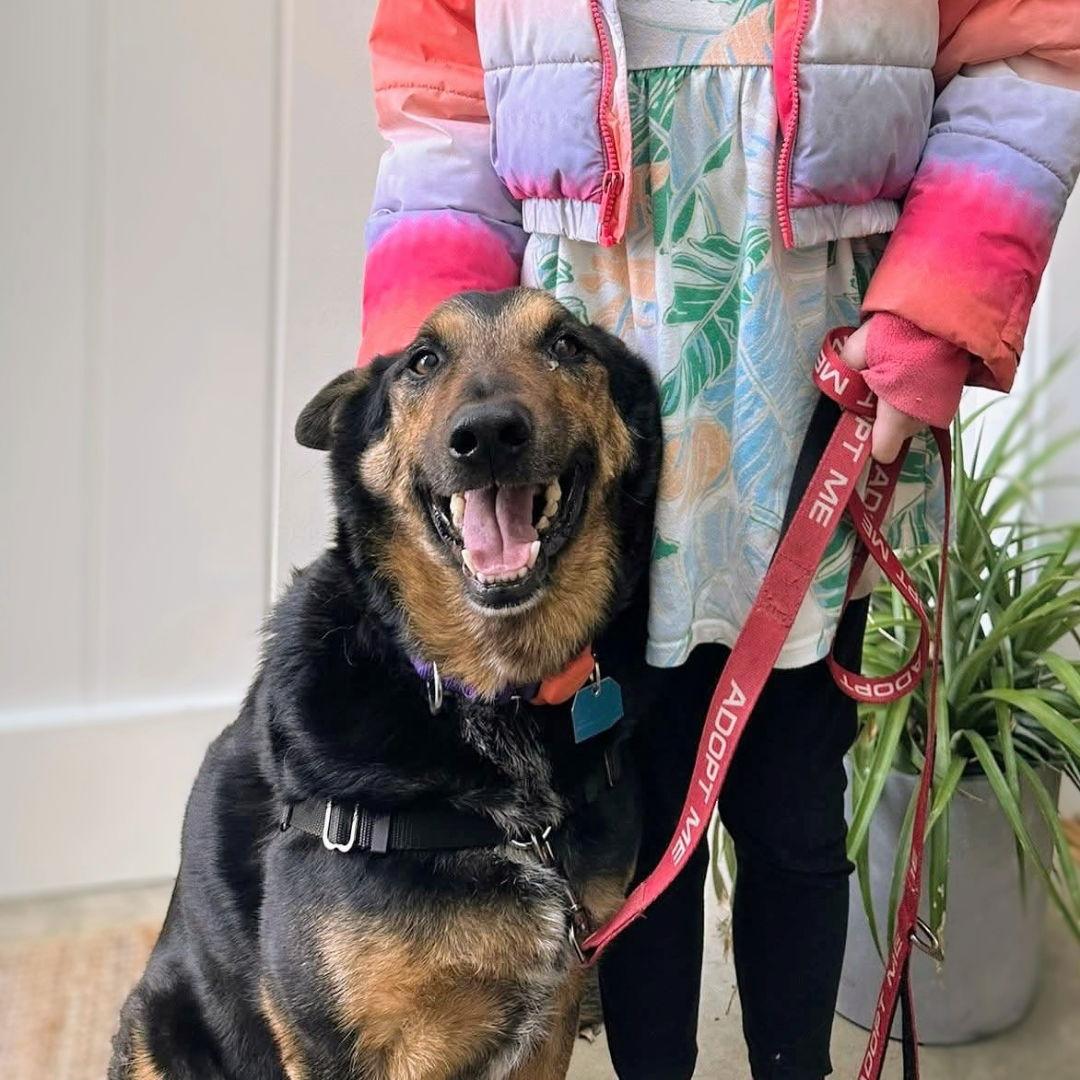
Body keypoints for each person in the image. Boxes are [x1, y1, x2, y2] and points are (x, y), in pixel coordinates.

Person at [357, 3, 1080, 1077]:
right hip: (576, 428)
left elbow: (1028, 41)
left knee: (792, 805)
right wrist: (429, 386)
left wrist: (941, 304)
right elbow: (443, 107)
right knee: (631, 820)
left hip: (812, 395)